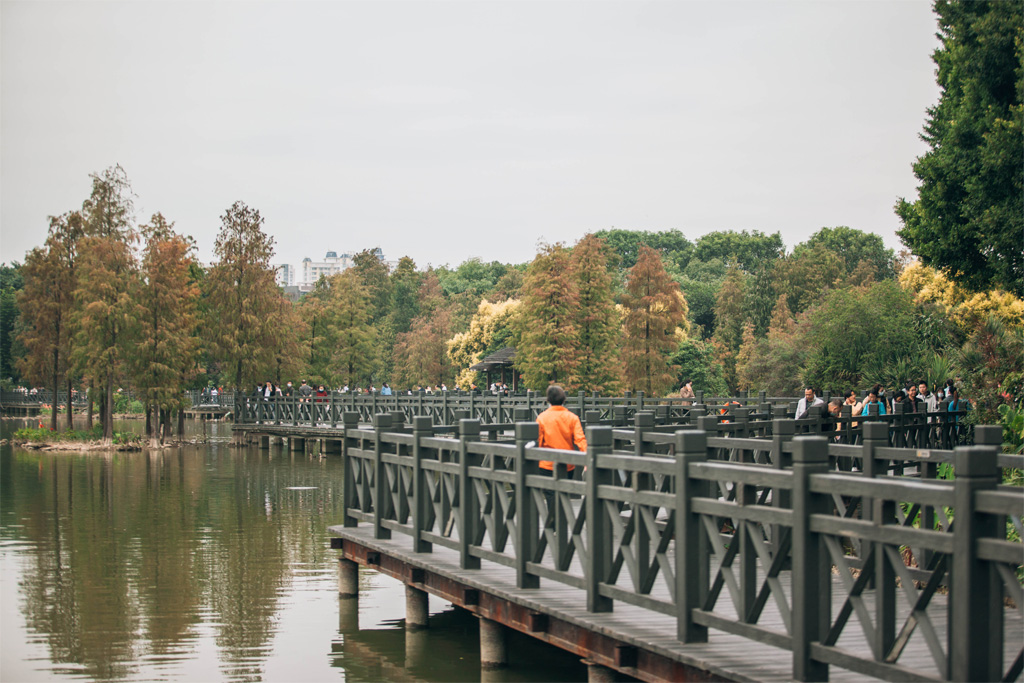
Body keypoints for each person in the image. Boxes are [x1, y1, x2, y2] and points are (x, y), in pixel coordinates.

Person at [536, 385, 586, 473]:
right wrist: (587, 459)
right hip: (567, 463)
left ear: (548, 400)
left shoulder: (541, 418)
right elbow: (580, 439)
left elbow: (538, 441)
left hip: (547, 463)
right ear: (564, 399)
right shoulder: (572, 417)